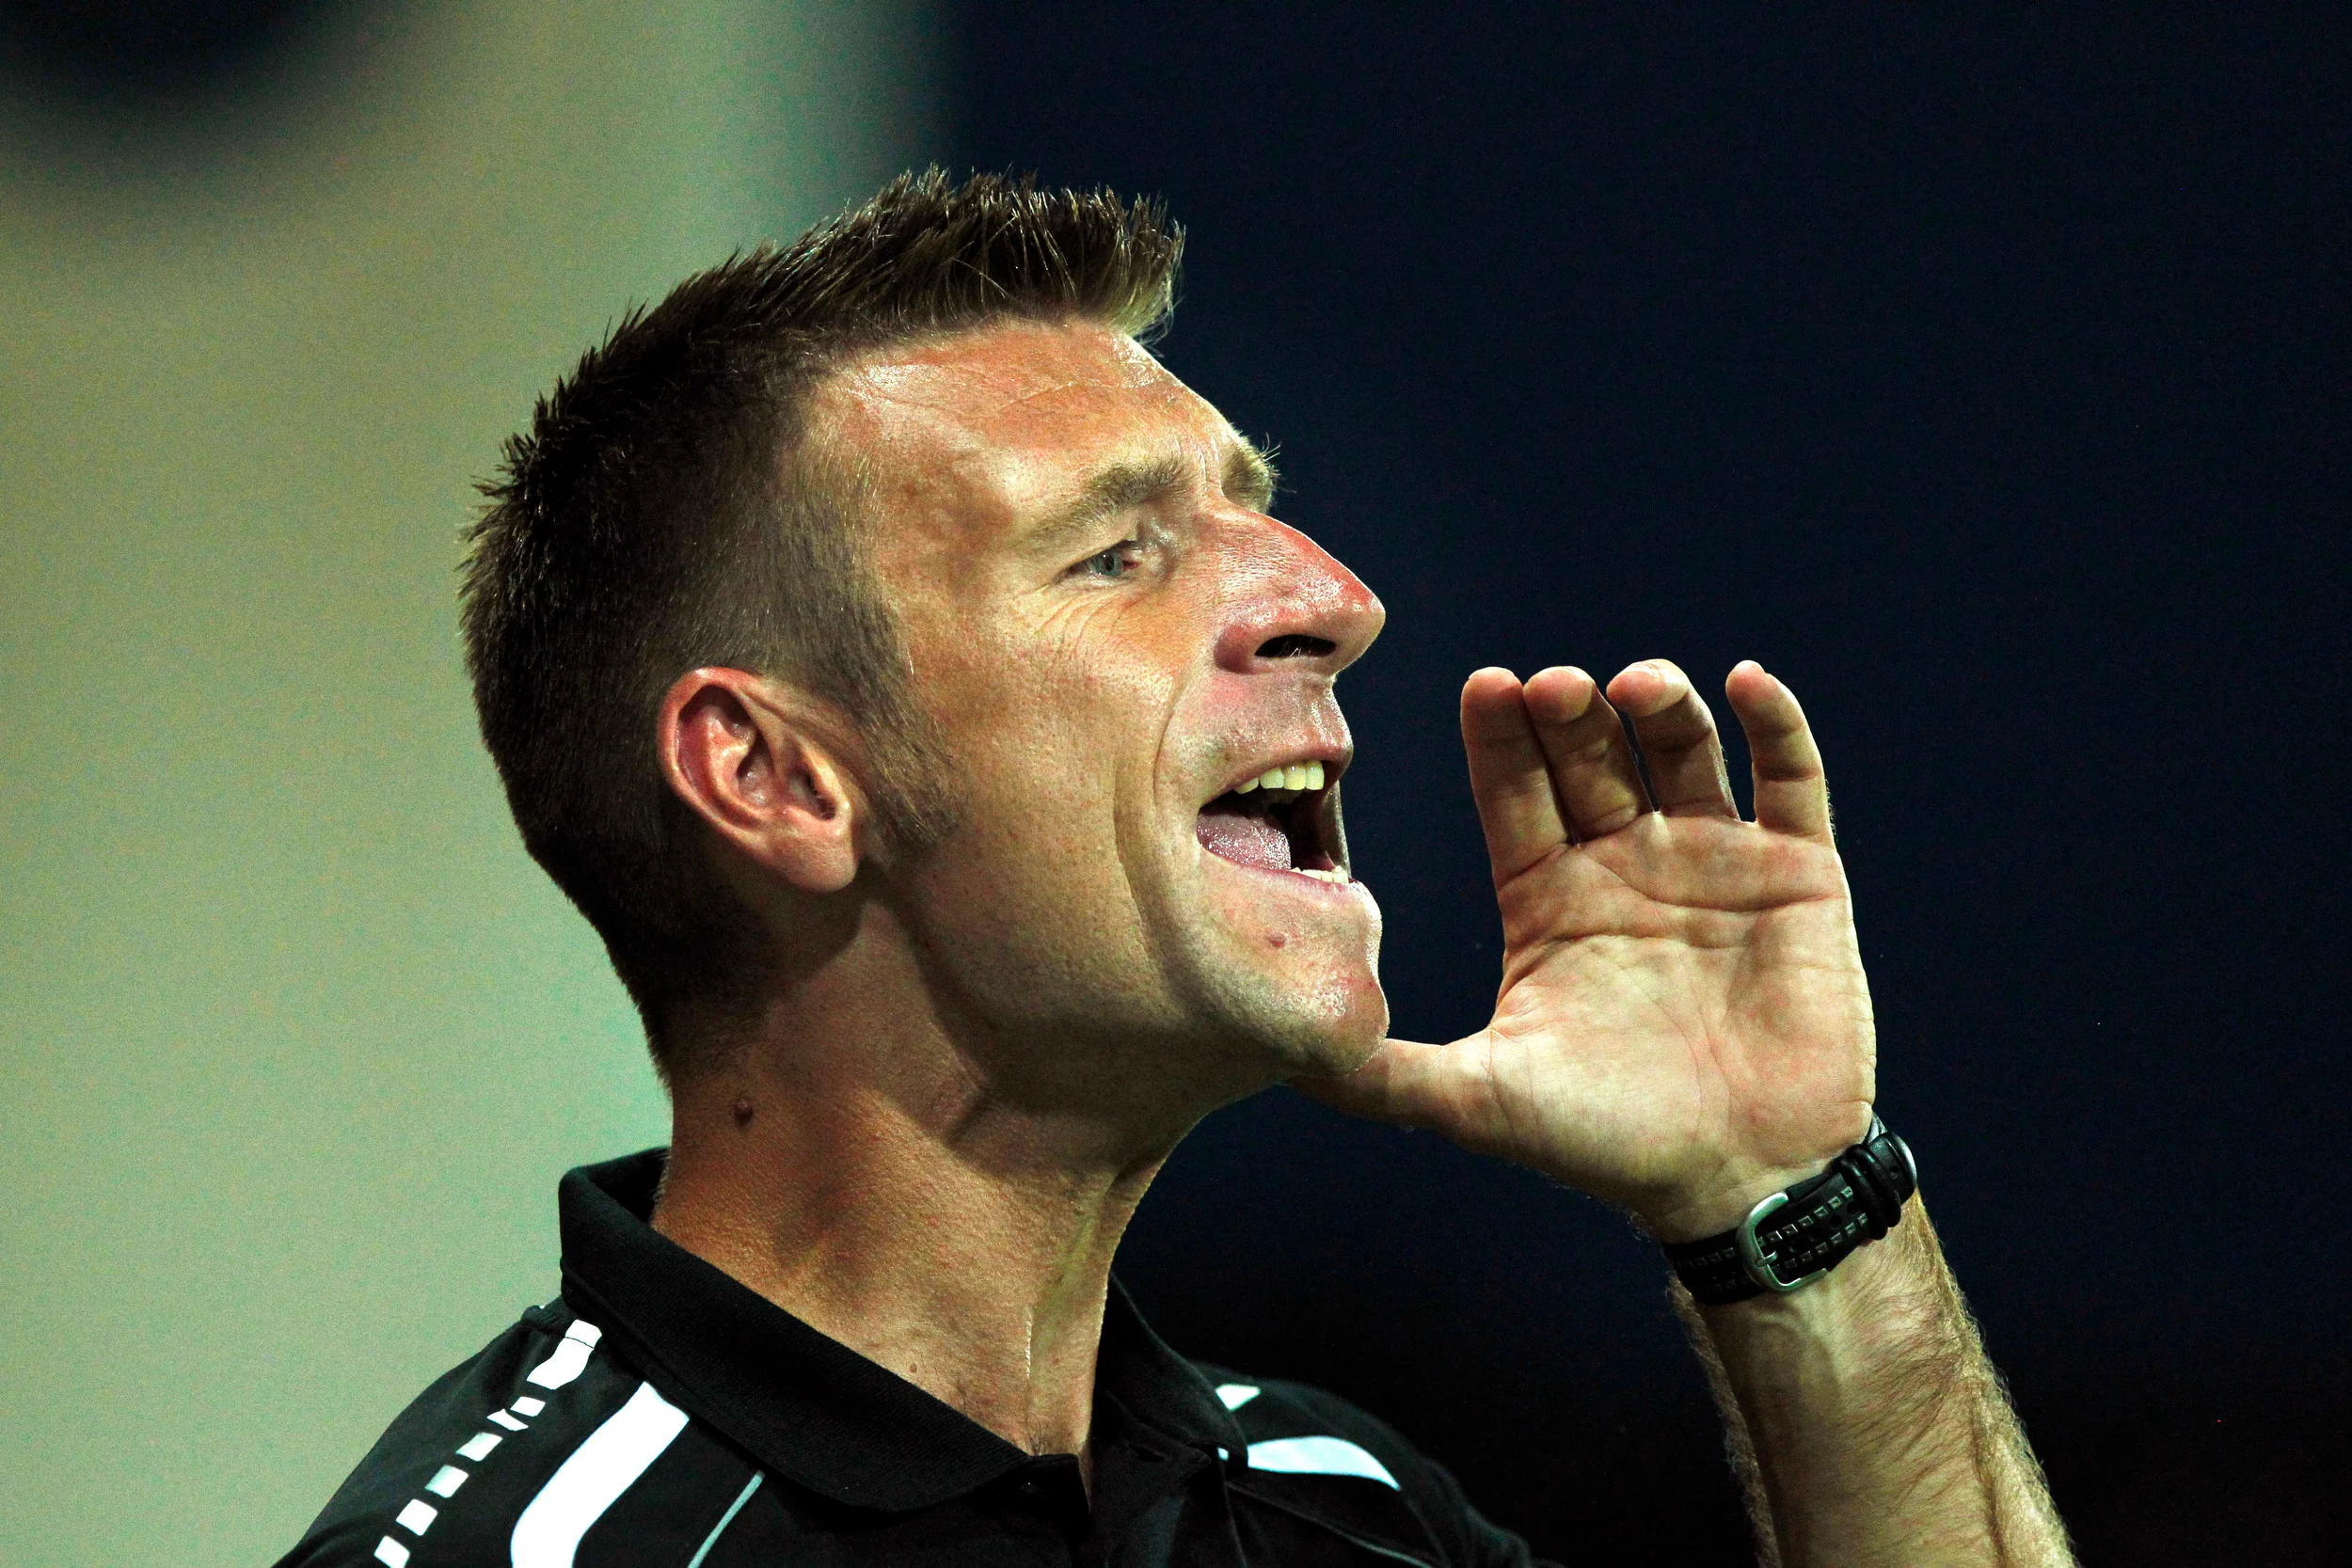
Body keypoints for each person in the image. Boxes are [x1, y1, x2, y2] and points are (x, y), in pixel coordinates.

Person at [277, 170, 2074, 1568]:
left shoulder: (1341, 1508)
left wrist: (1799, 1207)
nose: (1334, 600)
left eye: (1252, 507)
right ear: (777, 778)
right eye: (1121, 554)